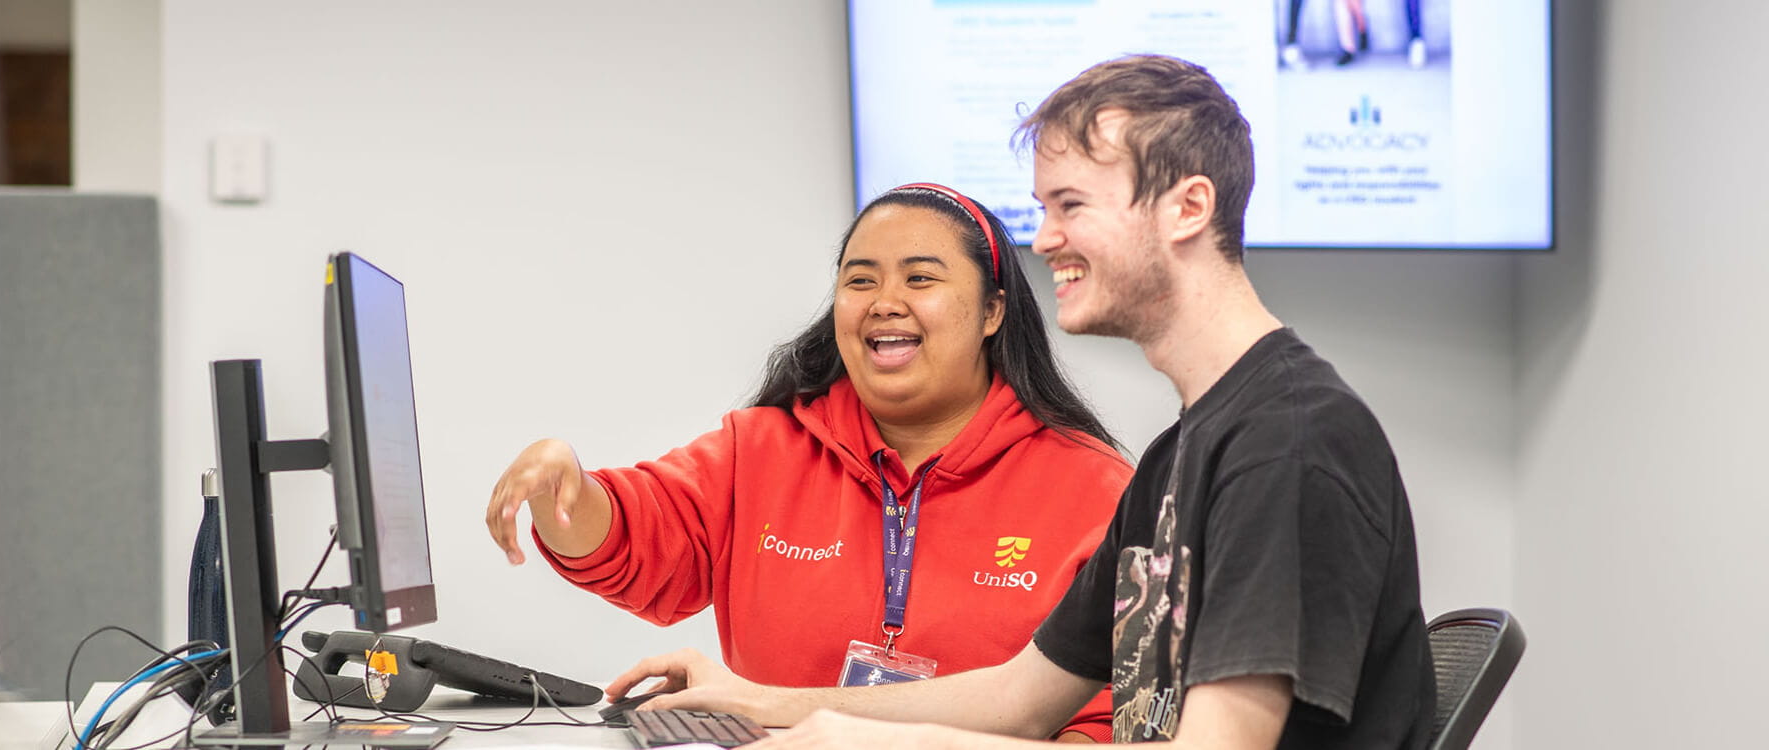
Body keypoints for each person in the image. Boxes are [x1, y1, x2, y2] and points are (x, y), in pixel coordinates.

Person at [608, 55, 1435, 749]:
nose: (1042, 242)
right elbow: (1019, 699)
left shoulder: (1289, 441)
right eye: (1043, 210)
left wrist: (865, 741)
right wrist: (779, 708)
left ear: (1189, 207)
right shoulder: (1180, 453)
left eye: (1070, 206)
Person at [483, 183, 1135, 741]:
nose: (884, 299)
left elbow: (1106, 724)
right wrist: (562, 488)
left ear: (993, 311)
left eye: (920, 277)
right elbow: (637, 538)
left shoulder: (1097, 488)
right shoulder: (762, 449)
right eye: (859, 279)